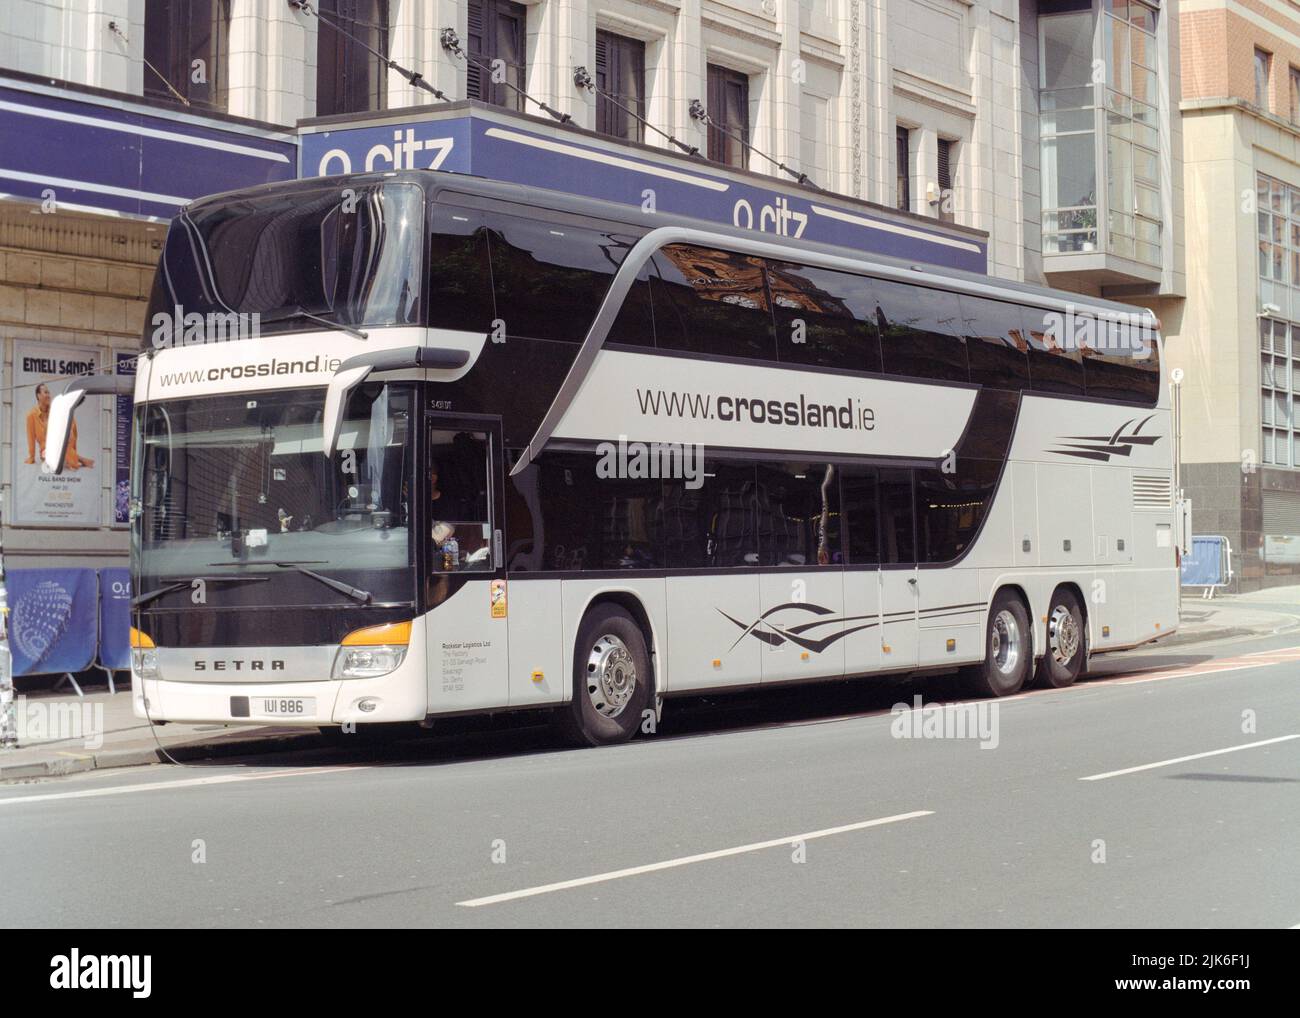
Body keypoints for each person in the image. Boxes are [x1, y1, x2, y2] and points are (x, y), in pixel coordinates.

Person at [25, 383, 94, 471]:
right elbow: (30, 437)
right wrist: (31, 457)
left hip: (61, 445)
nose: (49, 395)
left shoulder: (56, 410)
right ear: (38, 395)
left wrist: (71, 443)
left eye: (49, 393)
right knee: (66, 454)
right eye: (46, 392)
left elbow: (72, 428)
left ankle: (73, 459)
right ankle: (79, 459)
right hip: (46, 452)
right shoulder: (31, 415)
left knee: (67, 430)